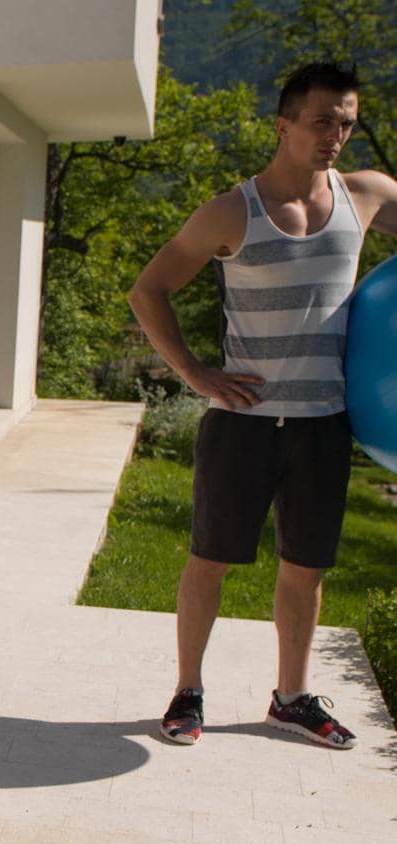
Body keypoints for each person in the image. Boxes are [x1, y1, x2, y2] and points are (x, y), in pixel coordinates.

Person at [129, 61, 397, 749]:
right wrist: (196, 374)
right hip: (242, 423)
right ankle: (188, 691)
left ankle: (292, 697)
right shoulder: (232, 211)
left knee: (305, 569)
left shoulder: (365, 196)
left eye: (346, 121)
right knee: (209, 559)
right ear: (283, 125)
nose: (335, 134)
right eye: (320, 121)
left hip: (325, 424)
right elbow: (148, 290)